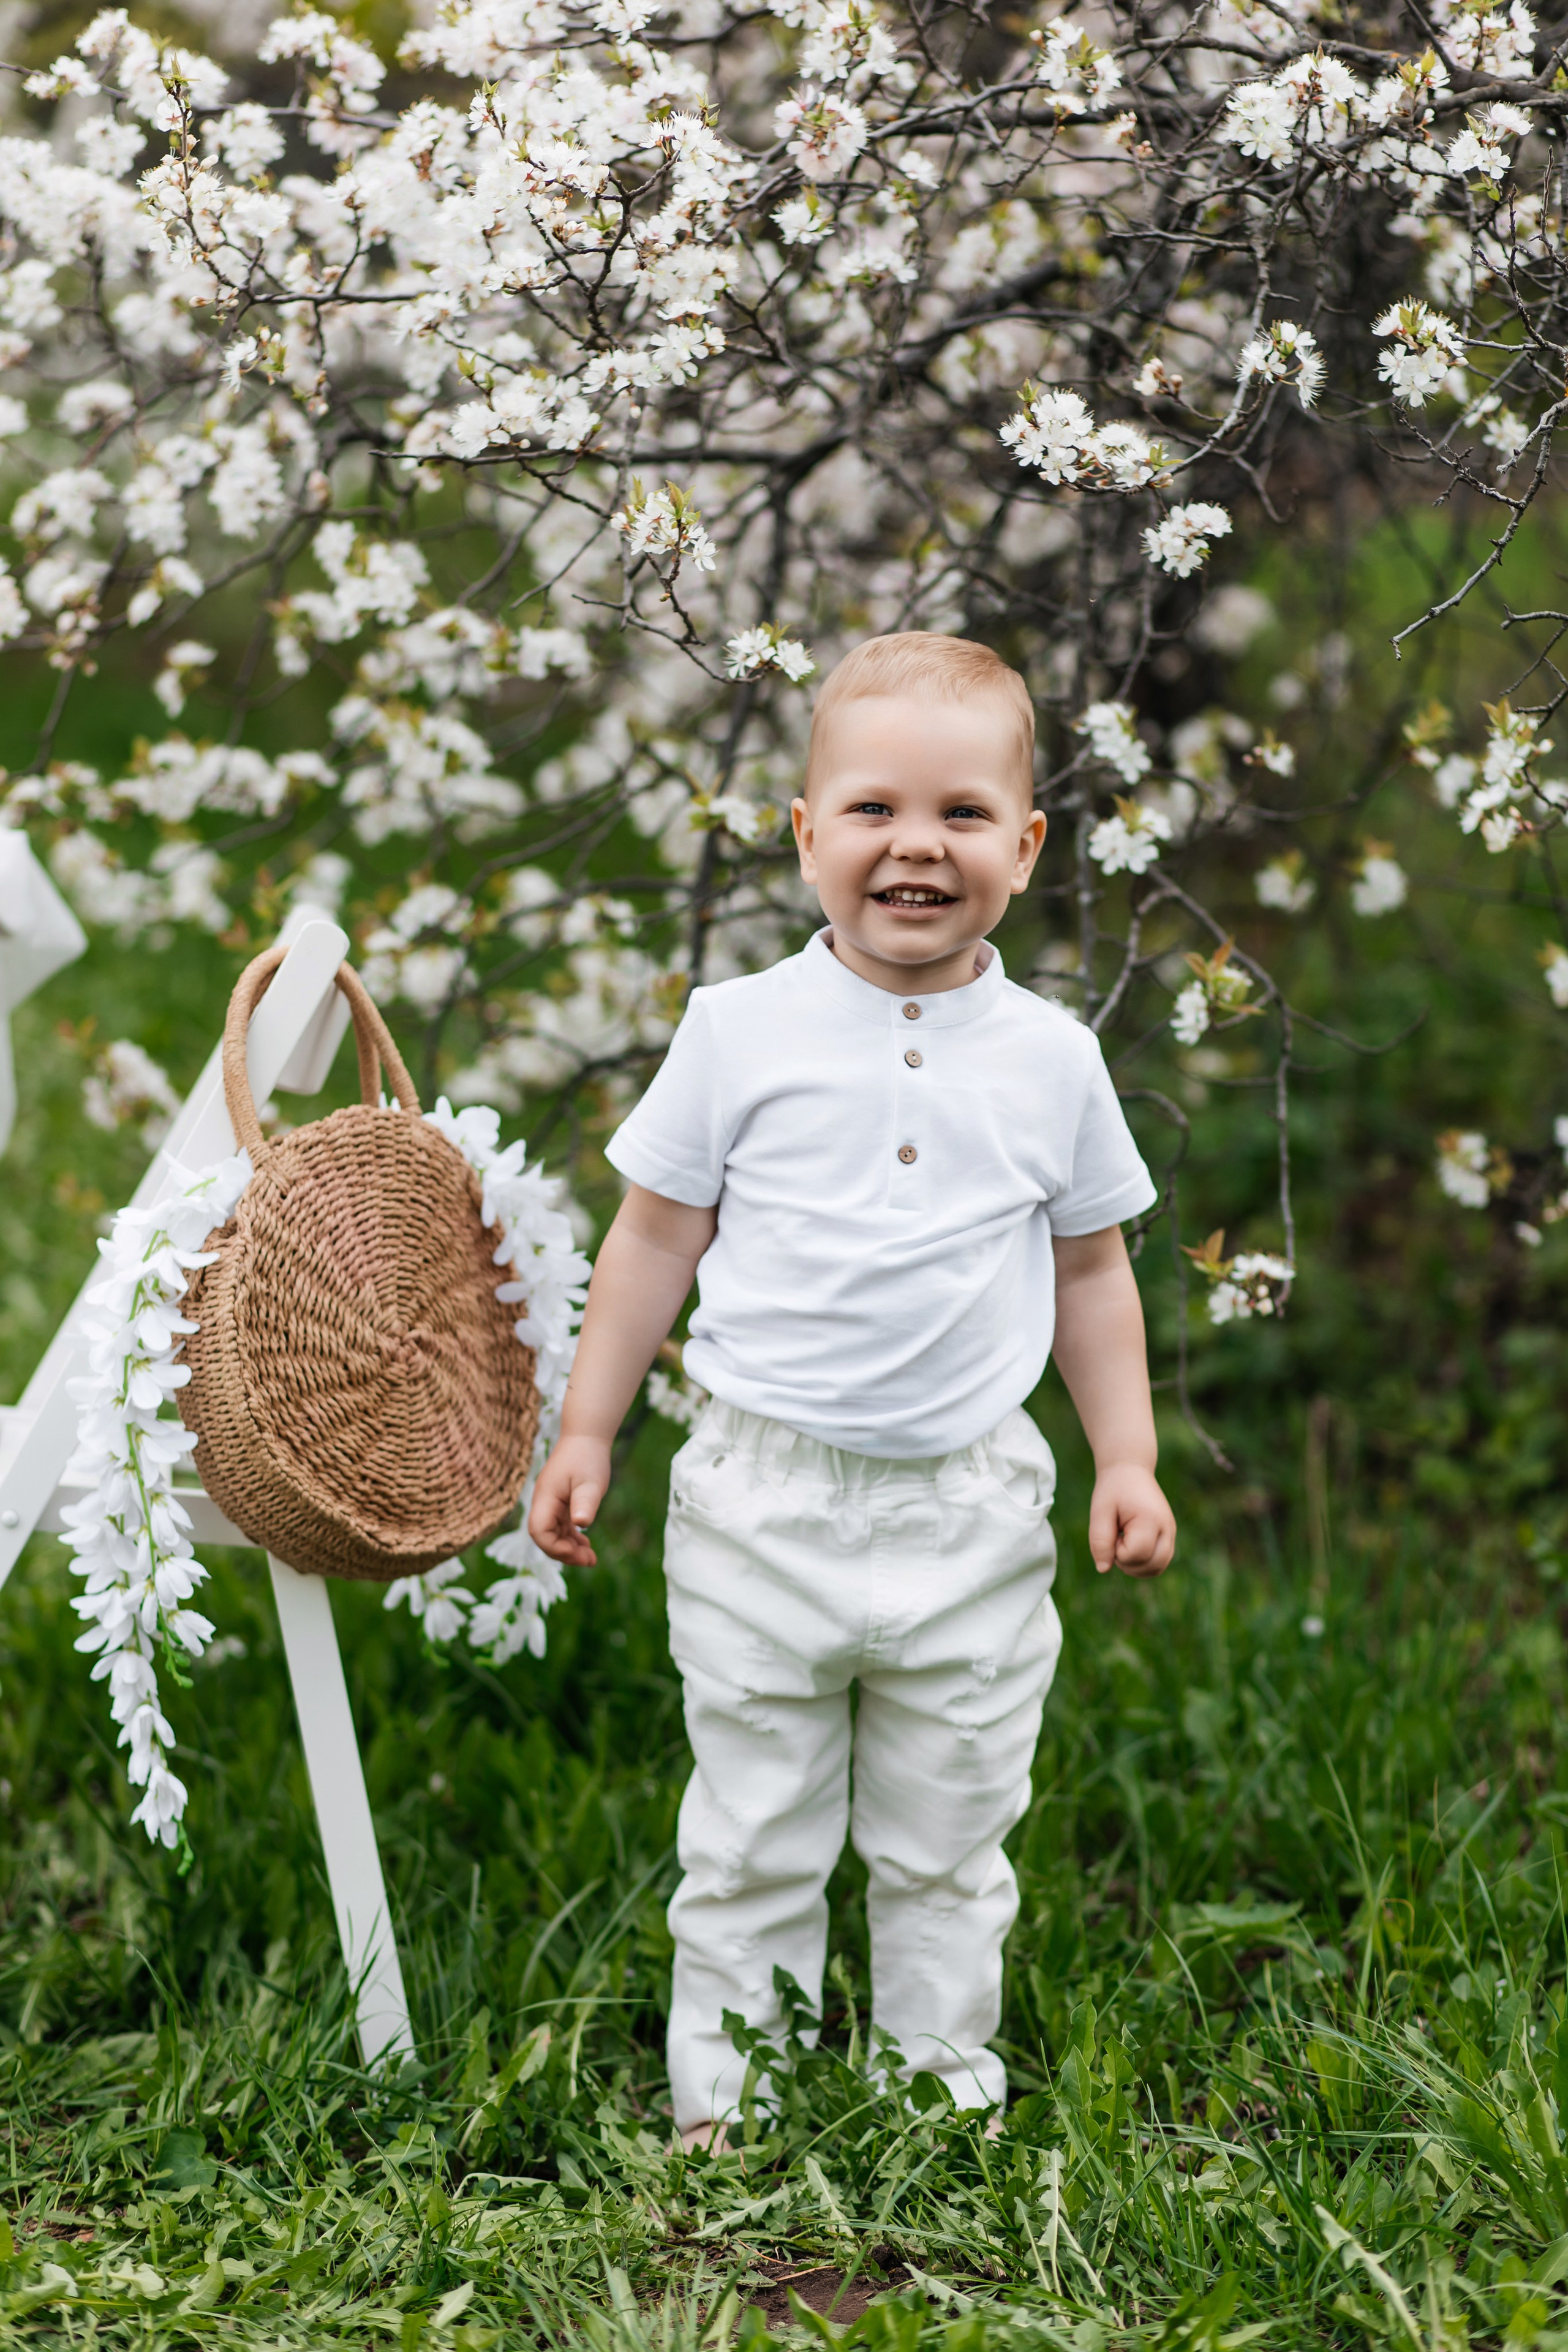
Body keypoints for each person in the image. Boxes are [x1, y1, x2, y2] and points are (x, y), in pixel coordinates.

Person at [529, 631, 1177, 2147]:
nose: (915, 847)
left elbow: (1092, 1275)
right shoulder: (735, 1031)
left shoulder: (1050, 1060)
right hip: (765, 1495)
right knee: (753, 1822)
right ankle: (731, 2096)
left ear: (1022, 847)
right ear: (805, 831)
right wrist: (587, 1427)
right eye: (874, 809)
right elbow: (651, 1240)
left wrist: (1125, 1461)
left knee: (949, 1831)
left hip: (969, 1508)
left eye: (961, 815)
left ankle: (935, 2087)